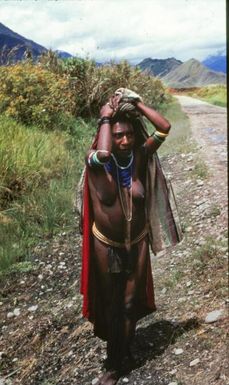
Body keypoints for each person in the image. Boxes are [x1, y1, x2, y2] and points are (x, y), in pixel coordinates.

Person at [80, 88, 182, 385]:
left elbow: (163, 127)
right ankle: (113, 364)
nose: (124, 141)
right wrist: (105, 118)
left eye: (129, 135)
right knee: (112, 305)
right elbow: (101, 153)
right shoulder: (95, 161)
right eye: (118, 135)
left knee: (128, 303)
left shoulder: (140, 155)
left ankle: (126, 352)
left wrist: (137, 102)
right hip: (106, 245)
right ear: (108, 135)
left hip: (136, 243)